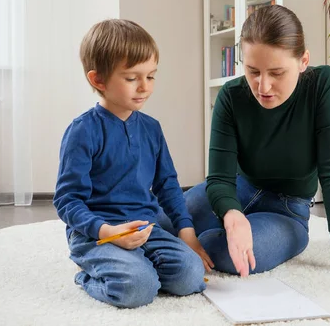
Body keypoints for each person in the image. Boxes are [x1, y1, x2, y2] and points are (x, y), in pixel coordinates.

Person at [184, 5, 330, 280]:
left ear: (303, 61)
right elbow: (219, 178)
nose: (263, 87)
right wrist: (232, 215)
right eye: (253, 71)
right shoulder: (231, 96)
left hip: (287, 211)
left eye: (276, 73)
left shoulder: (323, 87)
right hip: (238, 188)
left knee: (219, 252)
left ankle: (182, 247)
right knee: (163, 222)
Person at [53, 19, 214, 309]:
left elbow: (167, 185)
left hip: (144, 226)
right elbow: (67, 201)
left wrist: (187, 233)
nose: (145, 87)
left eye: (151, 76)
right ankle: (87, 277)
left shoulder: (151, 128)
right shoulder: (82, 131)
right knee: (138, 289)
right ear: (98, 80)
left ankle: (137, 264)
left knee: (191, 276)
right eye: (132, 78)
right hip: (97, 234)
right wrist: (107, 232)